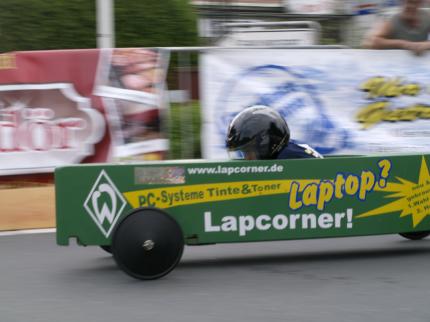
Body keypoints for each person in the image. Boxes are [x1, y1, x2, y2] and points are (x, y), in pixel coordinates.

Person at [225, 105, 323, 160]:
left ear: (265, 143)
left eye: (249, 151)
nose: (247, 159)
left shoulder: (288, 158)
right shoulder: (288, 151)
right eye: (244, 153)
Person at [362, 0, 430, 55]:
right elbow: (371, 42)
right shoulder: (390, 20)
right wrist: (405, 44)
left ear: (420, 3)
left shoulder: (427, 17)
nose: (410, 6)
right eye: (407, 2)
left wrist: (426, 45)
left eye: (414, 2)